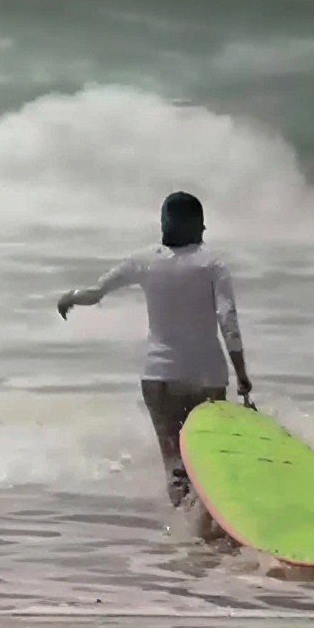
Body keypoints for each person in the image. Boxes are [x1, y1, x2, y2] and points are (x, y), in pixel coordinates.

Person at [56, 191, 252, 509]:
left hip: (160, 379)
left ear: (165, 223)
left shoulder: (144, 260)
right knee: (208, 463)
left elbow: (95, 292)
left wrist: (71, 297)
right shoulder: (212, 265)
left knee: (175, 462)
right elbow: (227, 320)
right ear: (199, 226)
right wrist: (242, 374)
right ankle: (211, 527)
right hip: (206, 378)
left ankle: (187, 535)